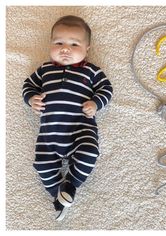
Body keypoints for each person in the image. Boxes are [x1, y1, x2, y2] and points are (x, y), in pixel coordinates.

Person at [22, 15, 113, 220]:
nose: (65, 49)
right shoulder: (45, 70)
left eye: (74, 44)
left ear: (87, 49)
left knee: (89, 153)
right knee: (42, 165)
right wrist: (31, 99)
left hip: (79, 128)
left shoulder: (91, 71)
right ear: (50, 44)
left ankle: (71, 184)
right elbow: (28, 86)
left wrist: (96, 103)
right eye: (59, 43)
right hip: (48, 134)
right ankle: (58, 196)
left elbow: (106, 88)